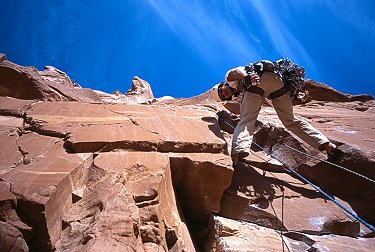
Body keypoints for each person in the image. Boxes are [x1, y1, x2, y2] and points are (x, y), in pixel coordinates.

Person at [212, 60, 337, 164]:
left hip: (257, 83)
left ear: (223, 85)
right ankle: (327, 145)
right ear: (227, 99)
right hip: (278, 85)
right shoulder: (239, 92)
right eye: (223, 96)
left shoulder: (229, 79)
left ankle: (236, 156)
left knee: (246, 120)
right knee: (290, 121)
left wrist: (247, 77)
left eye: (221, 90)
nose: (224, 93)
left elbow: (235, 72)